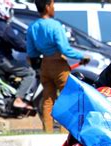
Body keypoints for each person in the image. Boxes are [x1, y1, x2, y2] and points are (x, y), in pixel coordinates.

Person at [26, 0, 90, 133]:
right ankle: (64, 132)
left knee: (48, 100)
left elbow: (32, 52)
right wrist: (81, 56)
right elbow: (64, 49)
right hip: (59, 65)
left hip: (45, 66)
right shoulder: (55, 25)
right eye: (53, 5)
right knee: (67, 98)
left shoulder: (33, 26)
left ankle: (48, 132)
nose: (54, 8)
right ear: (47, 6)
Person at [0, 0, 35, 109]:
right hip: (2, 60)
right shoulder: (3, 27)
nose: (11, 13)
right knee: (30, 72)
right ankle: (18, 99)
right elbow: (19, 44)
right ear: (1, 10)